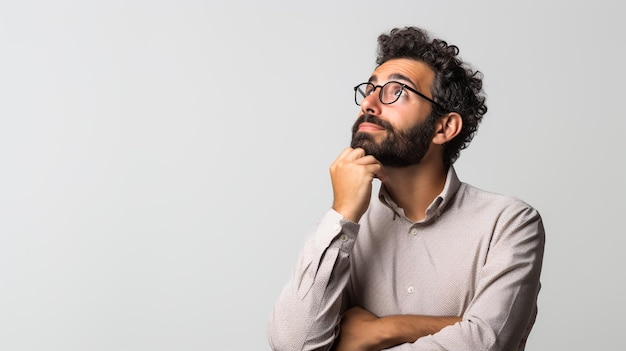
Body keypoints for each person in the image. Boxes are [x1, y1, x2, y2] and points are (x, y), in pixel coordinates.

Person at [267, 26, 545, 351]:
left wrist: (380, 332)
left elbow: (484, 345)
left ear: (444, 127)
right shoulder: (346, 227)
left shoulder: (509, 222)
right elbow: (292, 345)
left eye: (396, 91)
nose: (369, 103)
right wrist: (341, 214)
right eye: (370, 89)